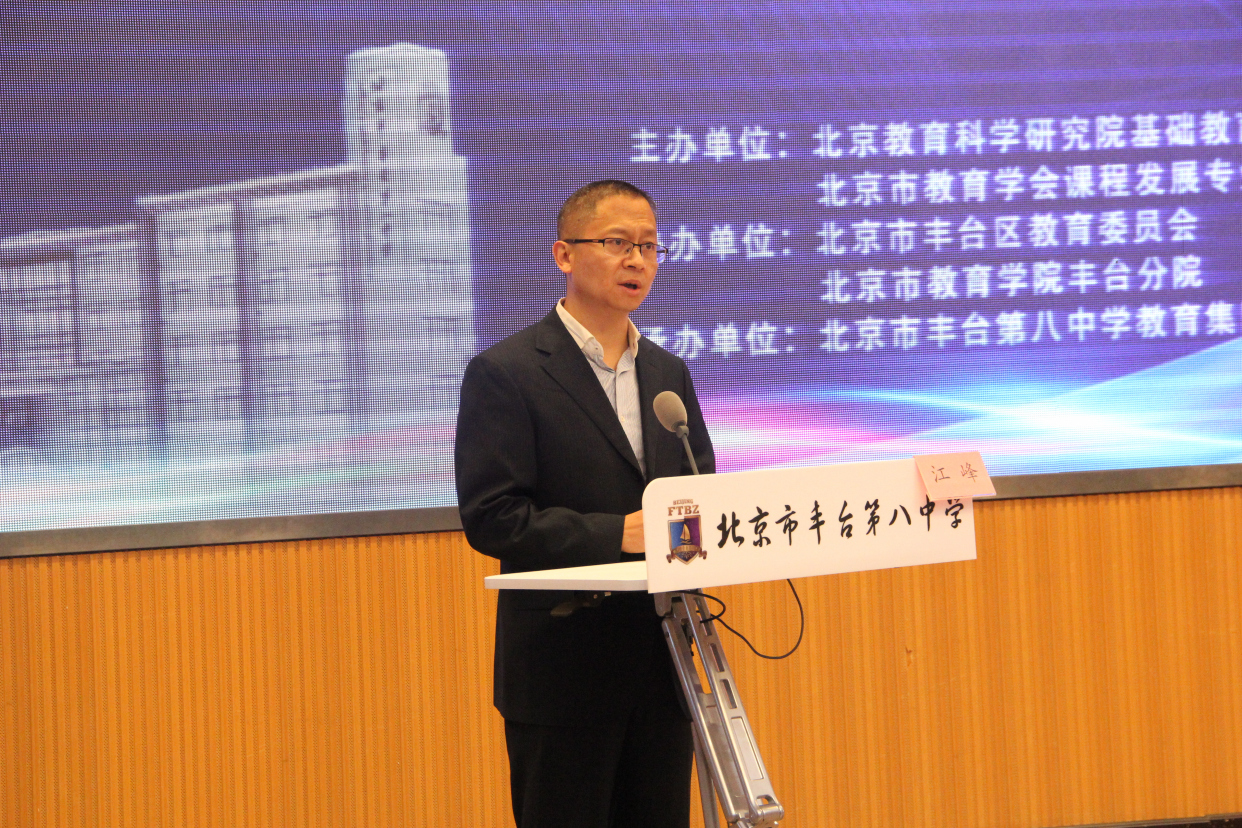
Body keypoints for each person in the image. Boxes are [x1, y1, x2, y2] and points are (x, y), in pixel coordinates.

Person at [455, 180, 714, 827]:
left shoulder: (668, 374)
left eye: (649, 246)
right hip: (562, 671)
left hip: (663, 664)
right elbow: (493, 517)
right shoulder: (507, 372)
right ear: (564, 255)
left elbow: (697, 491)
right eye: (618, 242)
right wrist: (615, 534)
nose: (637, 260)